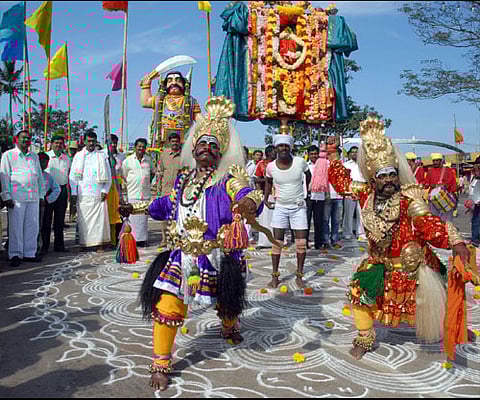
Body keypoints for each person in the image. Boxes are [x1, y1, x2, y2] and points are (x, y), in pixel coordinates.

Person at [120, 96, 263, 392]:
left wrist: (248, 202)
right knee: (167, 304)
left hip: (218, 255)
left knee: (227, 302)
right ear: (193, 148)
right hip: (182, 255)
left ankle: (229, 326)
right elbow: (164, 204)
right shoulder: (183, 179)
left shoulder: (227, 178)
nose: (207, 150)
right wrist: (134, 208)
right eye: (202, 145)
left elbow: (248, 194)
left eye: (213, 146)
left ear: (220, 151)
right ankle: (161, 362)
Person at [328, 116, 474, 361]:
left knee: (438, 302)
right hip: (380, 266)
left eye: (391, 175)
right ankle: (364, 338)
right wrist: (332, 155)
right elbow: (341, 182)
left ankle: (453, 327)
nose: (388, 181)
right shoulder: (366, 195)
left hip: (415, 267)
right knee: (359, 295)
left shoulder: (410, 199)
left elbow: (429, 225)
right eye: (382, 176)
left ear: (397, 175)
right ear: (373, 179)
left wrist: (455, 241)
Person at [264, 134, 311, 289]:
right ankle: (275, 276)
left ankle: (299, 275)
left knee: (301, 244)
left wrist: (306, 192)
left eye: (286, 146)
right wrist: (266, 198)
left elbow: (308, 175)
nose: (283, 148)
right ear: (276, 148)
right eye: (280, 146)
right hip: (280, 207)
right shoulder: (270, 166)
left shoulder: (300, 162)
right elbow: (268, 181)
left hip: (298, 207)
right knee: (277, 243)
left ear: (290, 148)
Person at [0, 130, 46, 266]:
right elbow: (4, 177)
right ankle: (15, 254)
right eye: (23, 138)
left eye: (28, 139)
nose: (26, 141)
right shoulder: (8, 155)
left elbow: (39, 176)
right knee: (16, 227)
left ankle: (29, 253)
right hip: (16, 197)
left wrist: (42, 195)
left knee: (32, 226)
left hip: (33, 196)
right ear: (16, 139)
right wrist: (6, 196)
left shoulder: (34, 157)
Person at [69, 131, 112, 252]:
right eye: (89, 141)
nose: (91, 143)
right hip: (83, 194)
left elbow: (108, 175)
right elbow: (72, 176)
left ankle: (98, 244)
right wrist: (73, 192)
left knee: (99, 223)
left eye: (93, 141)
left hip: (98, 193)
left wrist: (105, 190)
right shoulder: (78, 156)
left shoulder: (102, 156)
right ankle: (85, 244)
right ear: (84, 141)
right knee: (84, 221)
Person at [140, 69, 201, 147]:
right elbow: (145, 103)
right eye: (170, 81)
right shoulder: (160, 99)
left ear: (184, 84)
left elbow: (199, 118)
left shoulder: (191, 101)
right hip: (161, 139)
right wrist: (146, 86)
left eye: (178, 81)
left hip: (183, 141)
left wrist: (208, 122)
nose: (174, 83)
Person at [121, 138, 154, 247]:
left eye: (143, 147)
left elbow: (153, 173)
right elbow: (124, 175)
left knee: (143, 219)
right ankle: (133, 240)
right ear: (135, 147)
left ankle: (142, 240)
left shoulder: (148, 160)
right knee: (133, 219)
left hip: (145, 194)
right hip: (133, 194)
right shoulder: (128, 161)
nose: (141, 149)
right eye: (139, 146)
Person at [42, 135, 71, 254]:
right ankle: (44, 246)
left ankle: (59, 245)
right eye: (56, 143)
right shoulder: (46, 156)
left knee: (60, 219)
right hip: (49, 191)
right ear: (51, 144)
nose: (58, 145)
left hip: (62, 190)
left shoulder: (67, 158)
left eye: (60, 143)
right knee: (46, 220)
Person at [156, 132, 182, 246]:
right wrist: (158, 186)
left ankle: (177, 238)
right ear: (169, 142)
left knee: (178, 215)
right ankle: (165, 239)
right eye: (172, 141)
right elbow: (159, 172)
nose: (175, 143)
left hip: (179, 190)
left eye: (176, 141)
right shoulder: (164, 156)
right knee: (165, 215)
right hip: (165, 189)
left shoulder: (184, 156)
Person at [38, 152, 61, 255]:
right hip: (33, 203)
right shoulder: (33, 174)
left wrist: (48, 199)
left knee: (46, 225)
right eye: (42, 162)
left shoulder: (48, 176)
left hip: (45, 204)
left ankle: (44, 247)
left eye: (46, 162)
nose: (44, 164)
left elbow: (57, 189)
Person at [424, 153, 457, 223]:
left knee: (446, 221)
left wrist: (444, 185)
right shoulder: (430, 171)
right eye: (434, 161)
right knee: (435, 220)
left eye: (437, 160)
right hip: (433, 199)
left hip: (445, 197)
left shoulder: (447, 170)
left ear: (441, 161)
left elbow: (451, 181)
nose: (435, 162)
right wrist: (432, 185)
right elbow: (426, 184)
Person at [343, 146, 366, 240]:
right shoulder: (346, 165)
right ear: (349, 154)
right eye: (352, 152)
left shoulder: (363, 165)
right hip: (350, 191)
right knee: (348, 213)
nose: (354, 154)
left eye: (356, 152)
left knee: (361, 213)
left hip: (362, 190)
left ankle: (361, 233)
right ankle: (347, 232)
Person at [255, 145, 276, 248]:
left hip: (277, 194)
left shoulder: (278, 163)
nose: (275, 153)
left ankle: (276, 240)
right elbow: (256, 179)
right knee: (264, 219)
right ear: (268, 153)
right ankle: (263, 242)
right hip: (265, 194)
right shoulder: (261, 164)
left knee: (276, 219)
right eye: (273, 152)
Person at [306, 145, 326, 249]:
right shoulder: (305, 165)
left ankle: (318, 243)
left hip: (320, 196)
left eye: (315, 154)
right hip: (308, 196)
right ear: (308, 155)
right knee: (306, 220)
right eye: (311, 154)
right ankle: (304, 242)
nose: (313, 156)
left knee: (319, 221)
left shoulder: (323, 164)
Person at [323, 148, 343, 247]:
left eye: (337, 154)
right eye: (332, 154)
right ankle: (326, 240)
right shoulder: (325, 164)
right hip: (327, 195)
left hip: (339, 196)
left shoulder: (342, 166)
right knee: (325, 219)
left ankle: (334, 239)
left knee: (336, 220)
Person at [465, 156, 480, 247]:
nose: (474, 172)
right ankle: (475, 240)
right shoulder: (476, 178)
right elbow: (473, 190)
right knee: (475, 221)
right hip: (477, 205)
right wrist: (471, 201)